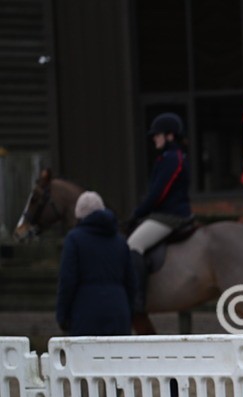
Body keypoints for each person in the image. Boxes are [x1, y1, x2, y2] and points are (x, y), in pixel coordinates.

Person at [127, 112, 193, 309]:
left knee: (133, 245)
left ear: (170, 136)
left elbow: (158, 193)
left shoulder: (172, 158)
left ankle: (137, 299)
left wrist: (138, 212)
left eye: (158, 134)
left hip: (171, 215)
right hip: (164, 212)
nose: (154, 138)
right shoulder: (166, 157)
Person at [56, 191, 138, 336]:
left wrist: (62, 315)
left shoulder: (74, 239)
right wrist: (130, 312)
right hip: (119, 313)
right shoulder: (120, 241)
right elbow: (131, 282)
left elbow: (67, 280)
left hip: (84, 313)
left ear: (79, 215)